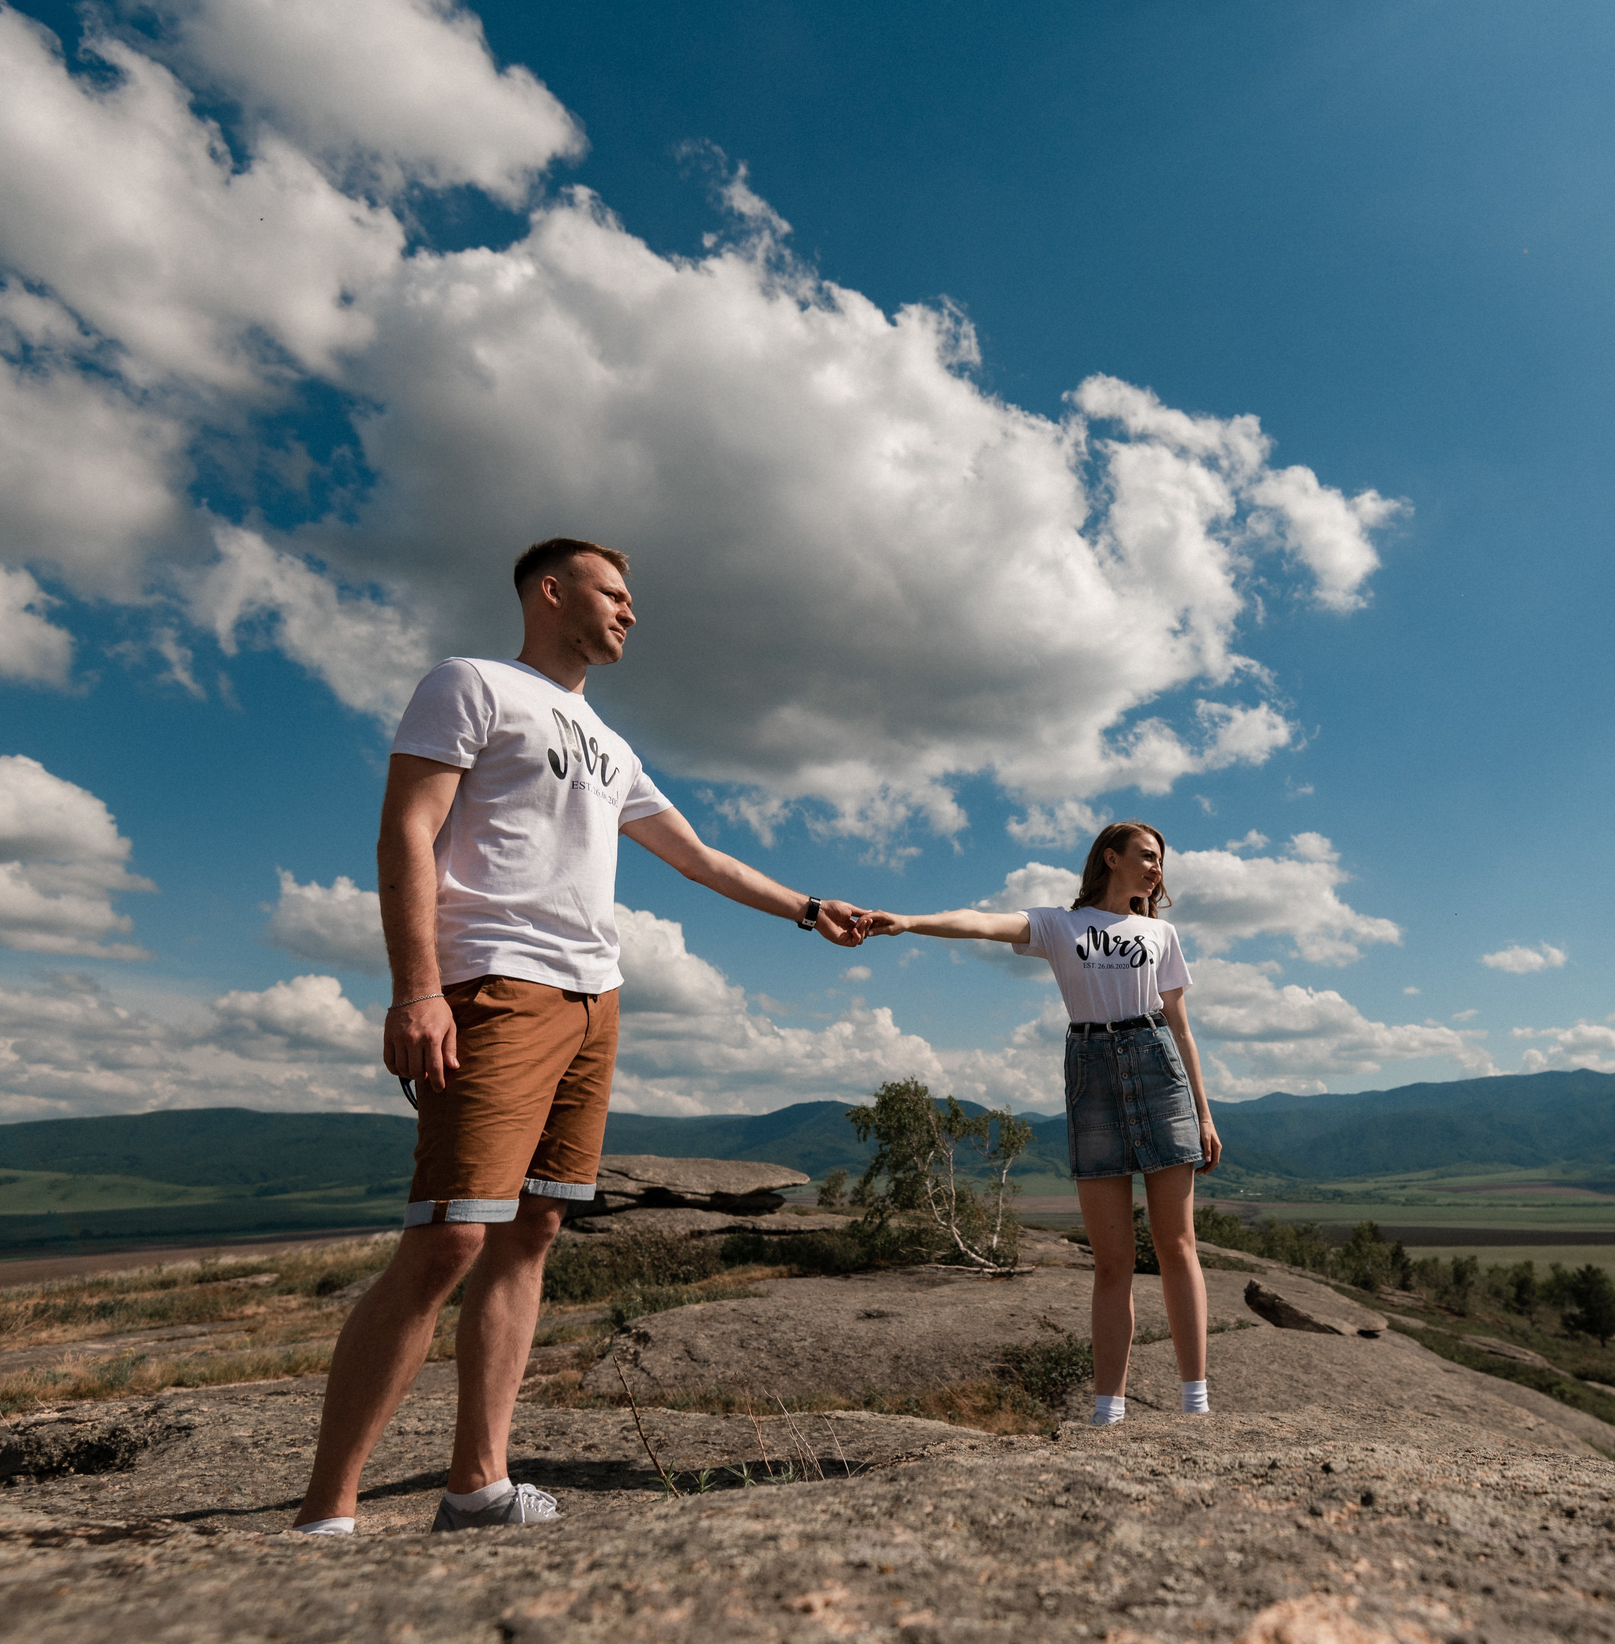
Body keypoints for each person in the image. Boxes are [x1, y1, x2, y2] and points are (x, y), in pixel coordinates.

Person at [292, 537, 870, 1536]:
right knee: (448, 1239)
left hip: (594, 994)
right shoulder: (471, 684)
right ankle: (325, 1510)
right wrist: (416, 987)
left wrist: (806, 904)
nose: (631, 610)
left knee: (532, 1232)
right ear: (550, 592)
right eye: (613, 591)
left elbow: (695, 855)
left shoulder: (607, 741)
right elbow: (406, 832)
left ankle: (477, 1484)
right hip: (496, 983)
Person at [861, 822, 1221, 1425]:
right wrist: (907, 921)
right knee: (1112, 1262)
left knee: (1177, 1245)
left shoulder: (1160, 932)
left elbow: (1181, 1027)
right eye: (1148, 856)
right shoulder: (1061, 924)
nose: (1158, 868)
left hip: (1159, 1070)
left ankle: (1196, 1404)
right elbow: (980, 921)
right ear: (1112, 858)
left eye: (1161, 860)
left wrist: (1204, 1113)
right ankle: (1108, 1412)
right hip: (1092, 1074)